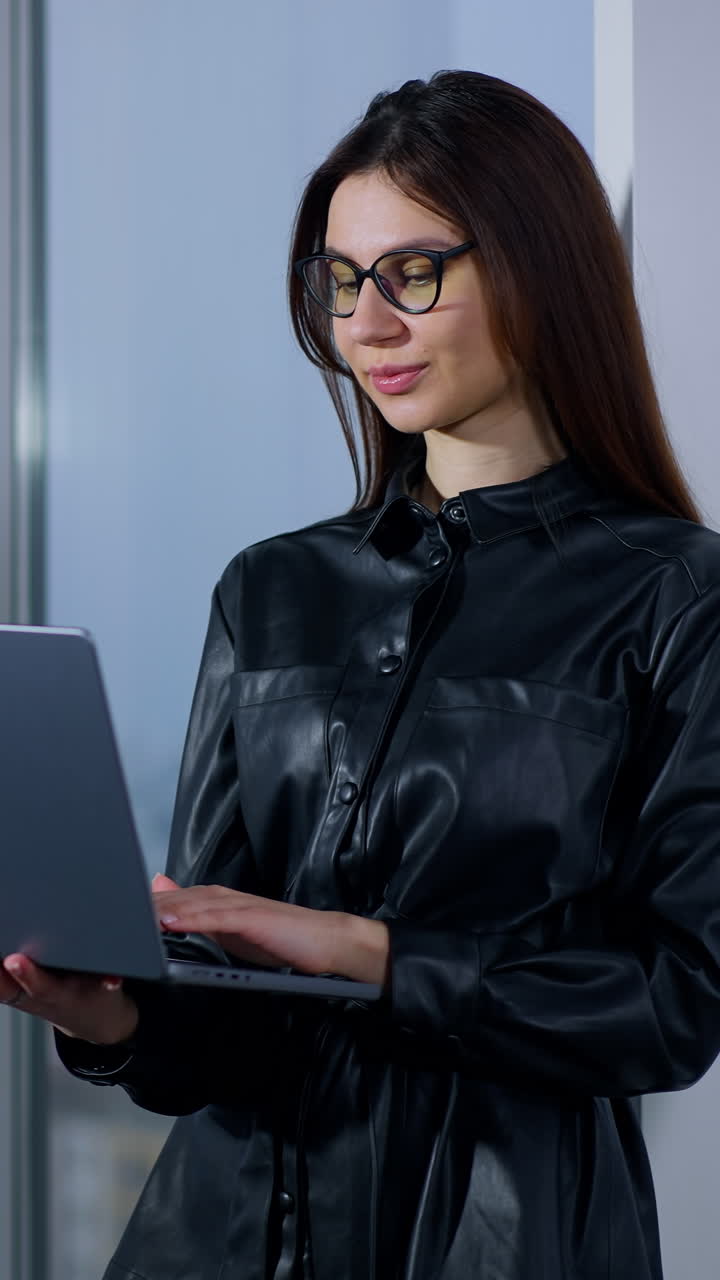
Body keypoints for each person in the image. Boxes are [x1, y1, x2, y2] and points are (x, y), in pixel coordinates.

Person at [3, 68, 720, 1280]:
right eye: (340, 282)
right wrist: (115, 1017)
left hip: (503, 1239)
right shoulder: (271, 589)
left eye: (412, 273)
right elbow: (217, 998)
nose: (366, 324)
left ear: (539, 265)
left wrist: (368, 951)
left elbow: (676, 1002)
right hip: (217, 1236)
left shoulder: (673, 595)